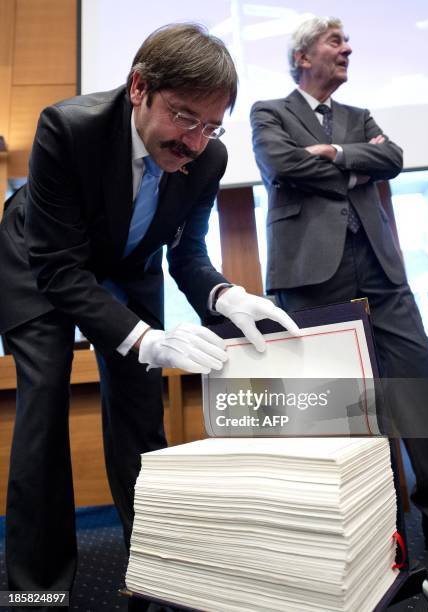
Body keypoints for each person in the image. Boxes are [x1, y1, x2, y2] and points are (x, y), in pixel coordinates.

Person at [0, 23, 298, 610]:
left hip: (128, 262)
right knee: (45, 396)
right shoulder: (69, 127)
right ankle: (38, 593)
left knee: (141, 415)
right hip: (39, 259)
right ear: (139, 86)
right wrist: (143, 338)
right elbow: (61, 271)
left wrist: (224, 296)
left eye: (211, 126)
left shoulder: (208, 156)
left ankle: (157, 574)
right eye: (185, 118)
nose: (195, 143)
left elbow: (186, 255)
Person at [250, 16, 428, 553]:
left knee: (416, 387)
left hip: (381, 268)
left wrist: (337, 155)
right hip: (311, 275)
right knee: (334, 403)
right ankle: (360, 529)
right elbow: (281, 164)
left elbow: (394, 158)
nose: (348, 50)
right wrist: (358, 168)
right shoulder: (269, 111)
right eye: (335, 42)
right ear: (303, 57)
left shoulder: (358, 116)